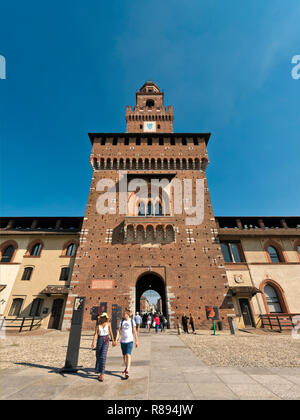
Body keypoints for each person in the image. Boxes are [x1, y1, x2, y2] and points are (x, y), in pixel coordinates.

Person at [91, 312, 116, 382]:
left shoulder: (108, 324)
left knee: (103, 356)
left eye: (105, 317)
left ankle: (102, 373)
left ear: (106, 318)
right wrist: (93, 342)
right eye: (102, 317)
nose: (103, 318)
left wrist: (113, 341)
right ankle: (98, 369)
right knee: (98, 355)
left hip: (106, 340)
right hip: (99, 340)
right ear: (101, 318)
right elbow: (96, 334)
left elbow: (111, 333)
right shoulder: (98, 326)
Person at [116, 309, 138, 379]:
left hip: (130, 340)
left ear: (128, 314)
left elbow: (134, 331)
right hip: (123, 341)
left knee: (128, 355)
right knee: (124, 356)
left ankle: (127, 370)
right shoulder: (121, 321)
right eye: (123, 314)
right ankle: (126, 368)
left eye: (125, 314)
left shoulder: (132, 321)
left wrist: (136, 341)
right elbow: (118, 331)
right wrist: (116, 339)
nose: (123, 315)